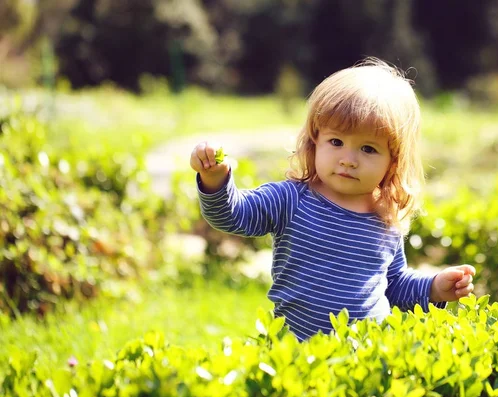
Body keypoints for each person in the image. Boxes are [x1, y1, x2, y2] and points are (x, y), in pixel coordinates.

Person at [190, 58, 476, 341]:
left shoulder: (385, 217)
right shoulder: (292, 199)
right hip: (298, 352)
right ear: (314, 143)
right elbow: (231, 215)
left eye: (368, 148)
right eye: (336, 142)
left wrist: (434, 288)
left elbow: (394, 285)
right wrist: (215, 179)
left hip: (365, 356)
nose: (348, 160)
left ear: (393, 162)